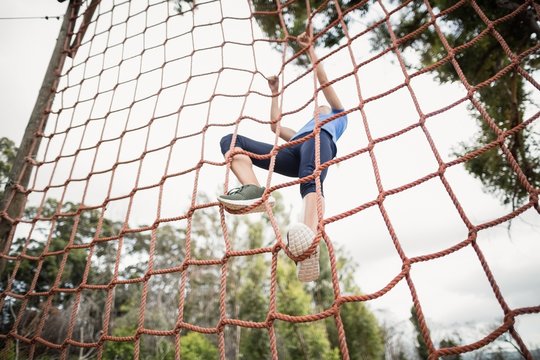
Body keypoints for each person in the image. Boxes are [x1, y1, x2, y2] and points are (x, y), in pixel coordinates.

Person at [218, 31, 348, 282]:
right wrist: (274, 91)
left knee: (310, 177)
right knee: (232, 142)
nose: (318, 106)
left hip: (320, 142)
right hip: (296, 149)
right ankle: (254, 192)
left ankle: (309, 237)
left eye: (322, 106)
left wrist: (310, 50)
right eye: (317, 107)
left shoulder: (338, 115)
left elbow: (324, 82)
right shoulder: (302, 129)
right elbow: (274, 125)